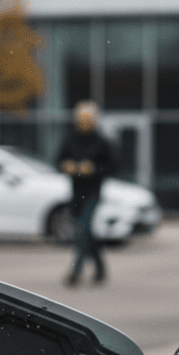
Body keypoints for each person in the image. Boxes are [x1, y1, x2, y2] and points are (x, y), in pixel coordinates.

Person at [57, 101, 117, 286]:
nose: (84, 122)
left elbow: (113, 166)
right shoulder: (70, 138)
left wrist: (94, 169)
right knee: (86, 232)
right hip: (76, 192)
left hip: (93, 192)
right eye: (81, 119)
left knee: (81, 230)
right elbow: (58, 159)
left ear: (94, 120)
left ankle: (76, 272)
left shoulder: (102, 141)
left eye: (87, 119)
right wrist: (66, 166)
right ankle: (100, 268)